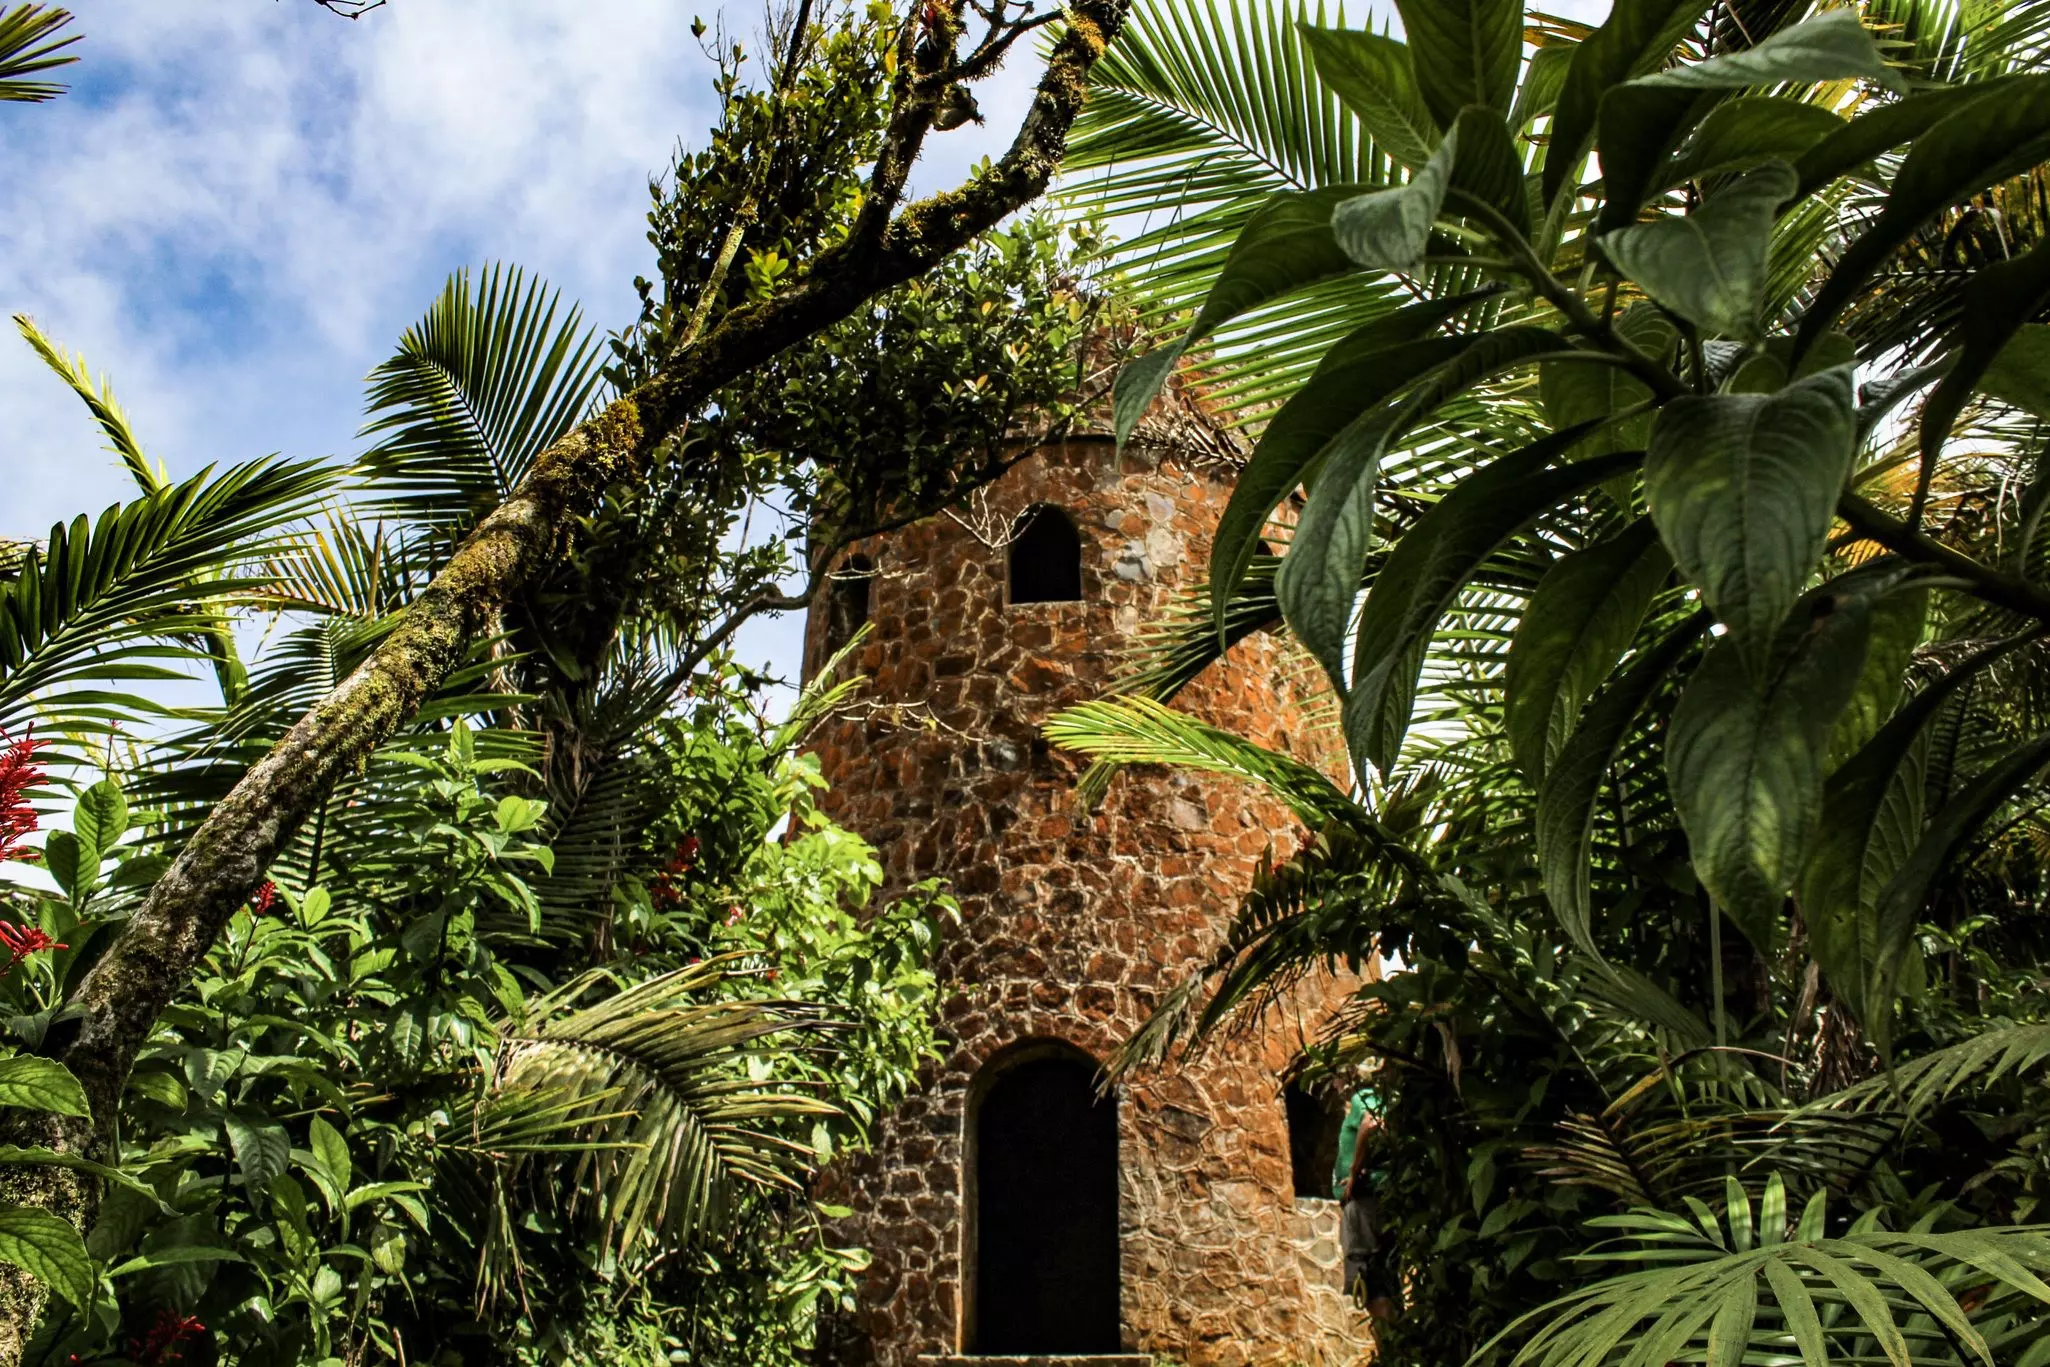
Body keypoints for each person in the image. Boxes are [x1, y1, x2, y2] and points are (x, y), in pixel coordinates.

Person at [1333, 1084, 1399, 1334]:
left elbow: (1372, 1123)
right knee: (1384, 1279)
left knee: (1372, 1283)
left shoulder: (1365, 1099)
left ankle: (1392, 1353)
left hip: (1365, 1204)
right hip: (1379, 1202)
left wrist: (1353, 1174)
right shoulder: (1391, 1100)